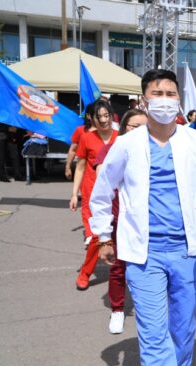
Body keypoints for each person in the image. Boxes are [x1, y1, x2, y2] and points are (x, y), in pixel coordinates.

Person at [90, 69, 196, 366]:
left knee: (182, 328)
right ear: (144, 100)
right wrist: (103, 236)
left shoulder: (192, 140)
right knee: (153, 334)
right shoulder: (127, 144)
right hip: (144, 254)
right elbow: (102, 190)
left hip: (186, 251)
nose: (164, 100)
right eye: (157, 93)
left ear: (179, 99)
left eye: (170, 94)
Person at [93, 108, 148, 334]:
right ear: (124, 127)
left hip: (145, 220)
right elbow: (102, 183)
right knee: (118, 266)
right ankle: (117, 309)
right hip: (118, 217)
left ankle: (148, 307)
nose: (139, 131)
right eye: (134, 126)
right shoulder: (112, 149)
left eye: (144, 127)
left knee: (146, 265)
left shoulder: (153, 150)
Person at [70, 99, 119, 290]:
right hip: (94, 194)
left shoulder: (121, 137)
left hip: (120, 195)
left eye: (107, 116)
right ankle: (85, 273)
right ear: (92, 119)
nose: (104, 120)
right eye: (99, 117)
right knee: (98, 236)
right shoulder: (87, 138)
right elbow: (80, 167)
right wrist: (74, 193)